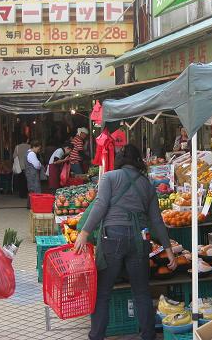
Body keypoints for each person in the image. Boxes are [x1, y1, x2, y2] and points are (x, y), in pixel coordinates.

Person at [74, 144, 176, 340]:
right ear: (139, 161)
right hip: (140, 239)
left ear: (120, 160)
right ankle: (148, 336)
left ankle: (96, 336)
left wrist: (85, 232)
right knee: (141, 291)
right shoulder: (147, 184)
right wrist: (168, 249)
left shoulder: (110, 177)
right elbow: (156, 220)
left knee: (102, 292)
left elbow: (101, 205)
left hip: (113, 237)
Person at [26, 140, 42, 209]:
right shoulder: (32, 154)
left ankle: (30, 205)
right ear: (34, 147)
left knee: (31, 190)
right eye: (38, 148)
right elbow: (36, 165)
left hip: (29, 174)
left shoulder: (27, 153)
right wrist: (40, 164)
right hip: (33, 174)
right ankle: (36, 206)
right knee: (36, 190)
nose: (38, 150)